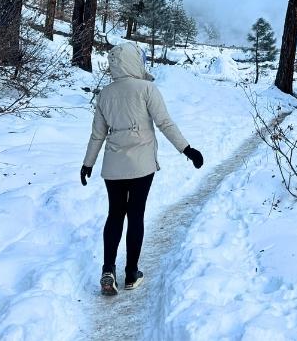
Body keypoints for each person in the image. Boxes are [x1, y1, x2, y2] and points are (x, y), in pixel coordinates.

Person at [80, 42, 204, 296]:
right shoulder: (147, 88)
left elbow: (97, 135)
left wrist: (88, 163)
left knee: (115, 214)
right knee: (135, 215)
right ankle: (132, 273)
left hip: (113, 165)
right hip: (141, 164)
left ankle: (107, 269)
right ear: (135, 61)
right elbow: (165, 123)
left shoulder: (105, 93)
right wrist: (187, 150)